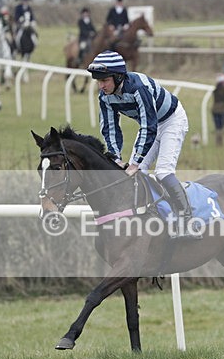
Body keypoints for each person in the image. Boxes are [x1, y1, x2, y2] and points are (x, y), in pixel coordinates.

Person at [87, 50, 202, 239]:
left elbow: (149, 126)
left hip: (172, 120)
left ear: (117, 76)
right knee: (135, 176)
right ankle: (150, 218)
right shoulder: (104, 97)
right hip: (151, 125)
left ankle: (188, 222)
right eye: (98, 81)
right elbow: (110, 128)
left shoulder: (138, 88)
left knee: (163, 172)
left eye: (104, 80)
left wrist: (134, 162)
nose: (101, 86)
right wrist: (115, 157)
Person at [211, 74, 224, 146]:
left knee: (218, 128)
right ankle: (220, 143)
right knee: (221, 128)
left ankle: (218, 143)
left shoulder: (215, 90)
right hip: (223, 110)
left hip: (215, 110)